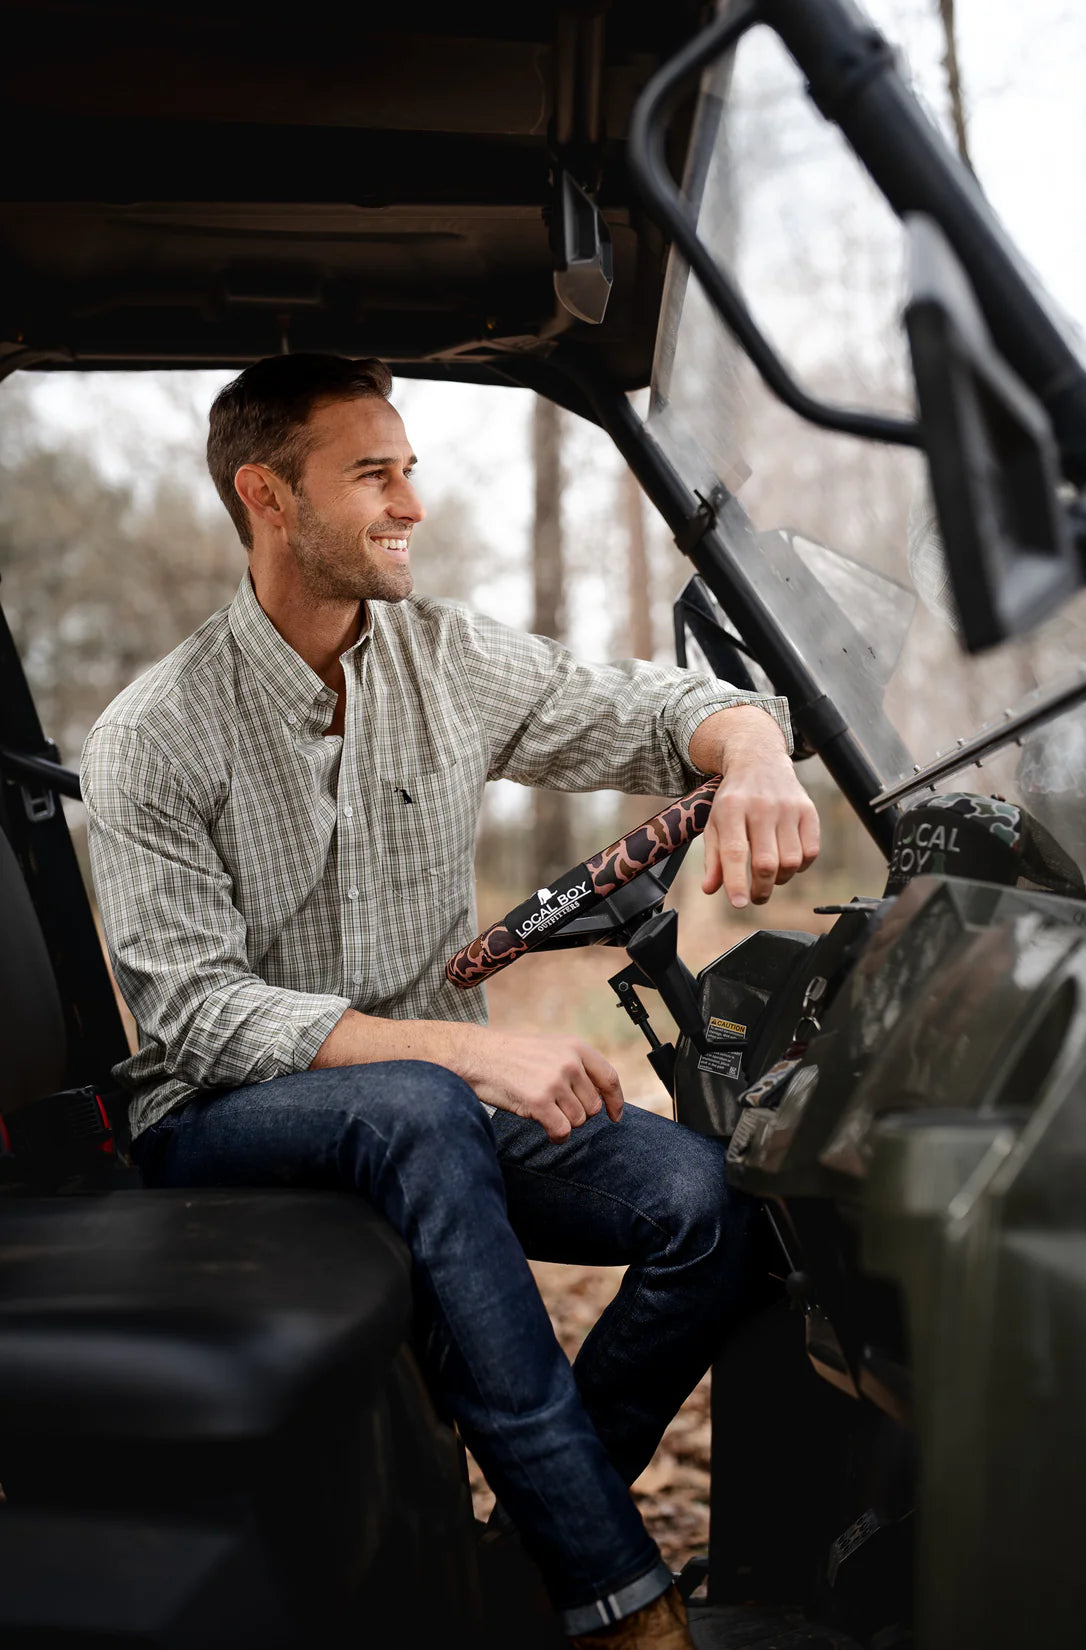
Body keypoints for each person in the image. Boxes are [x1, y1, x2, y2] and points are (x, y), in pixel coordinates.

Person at [81, 354, 819, 1649]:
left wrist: (752, 748)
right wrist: (469, 1056)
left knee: (708, 1200)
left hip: (425, 1106)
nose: (412, 502)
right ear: (267, 494)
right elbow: (196, 1015)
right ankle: (616, 1601)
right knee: (422, 1101)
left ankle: (535, 1550)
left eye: (410, 469)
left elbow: (655, 711)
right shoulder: (156, 731)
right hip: (222, 1123)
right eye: (375, 474)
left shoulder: (444, 659)